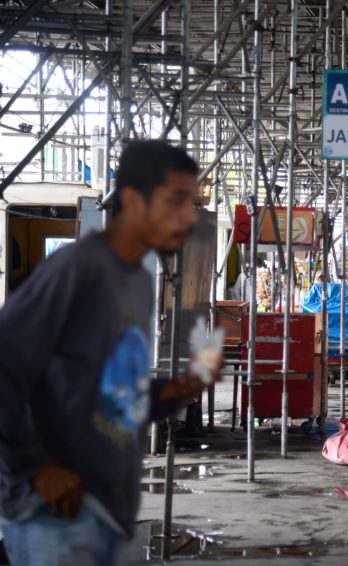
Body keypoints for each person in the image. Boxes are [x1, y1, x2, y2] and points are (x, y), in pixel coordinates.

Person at [0, 140, 214, 565]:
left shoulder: (137, 281)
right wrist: (35, 469)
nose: (190, 217)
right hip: (54, 512)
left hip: (105, 507)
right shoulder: (78, 269)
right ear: (133, 201)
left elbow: (114, 394)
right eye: (176, 201)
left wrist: (172, 392)